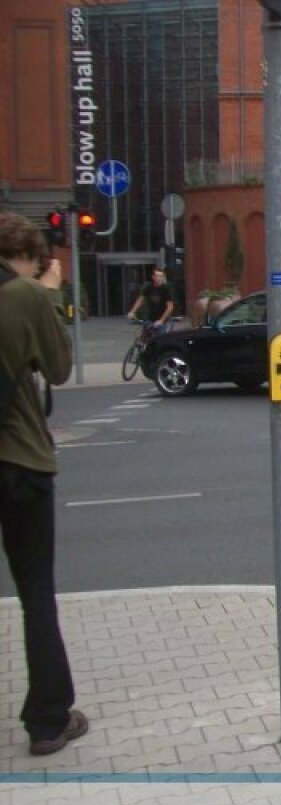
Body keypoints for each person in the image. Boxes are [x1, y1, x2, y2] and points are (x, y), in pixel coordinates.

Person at [0, 211, 86, 756]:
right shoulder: (25, 296)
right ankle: (48, 721)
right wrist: (48, 294)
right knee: (35, 593)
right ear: (30, 255)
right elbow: (57, 367)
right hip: (18, 462)